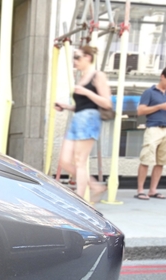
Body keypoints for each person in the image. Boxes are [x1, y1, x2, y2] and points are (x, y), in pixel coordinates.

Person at [55, 45, 112, 202]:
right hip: (78, 118)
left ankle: (81, 200)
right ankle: (95, 186)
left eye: (78, 57)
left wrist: (87, 91)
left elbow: (107, 103)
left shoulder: (97, 75)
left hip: (89, 120)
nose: (75, 61)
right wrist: (67, 106)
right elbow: (84, 104)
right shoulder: (81, 77)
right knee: (64, 160)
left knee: (80, 161)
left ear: (88, 57)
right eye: (74, 58)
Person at [134, 66, 166, 200]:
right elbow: (140, 111)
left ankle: (153, 190)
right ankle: (140, 190)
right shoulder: (149, 92)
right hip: (154, 127)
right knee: (146, 159)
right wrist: (160, 106)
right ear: (162, 76)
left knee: (161, 160)